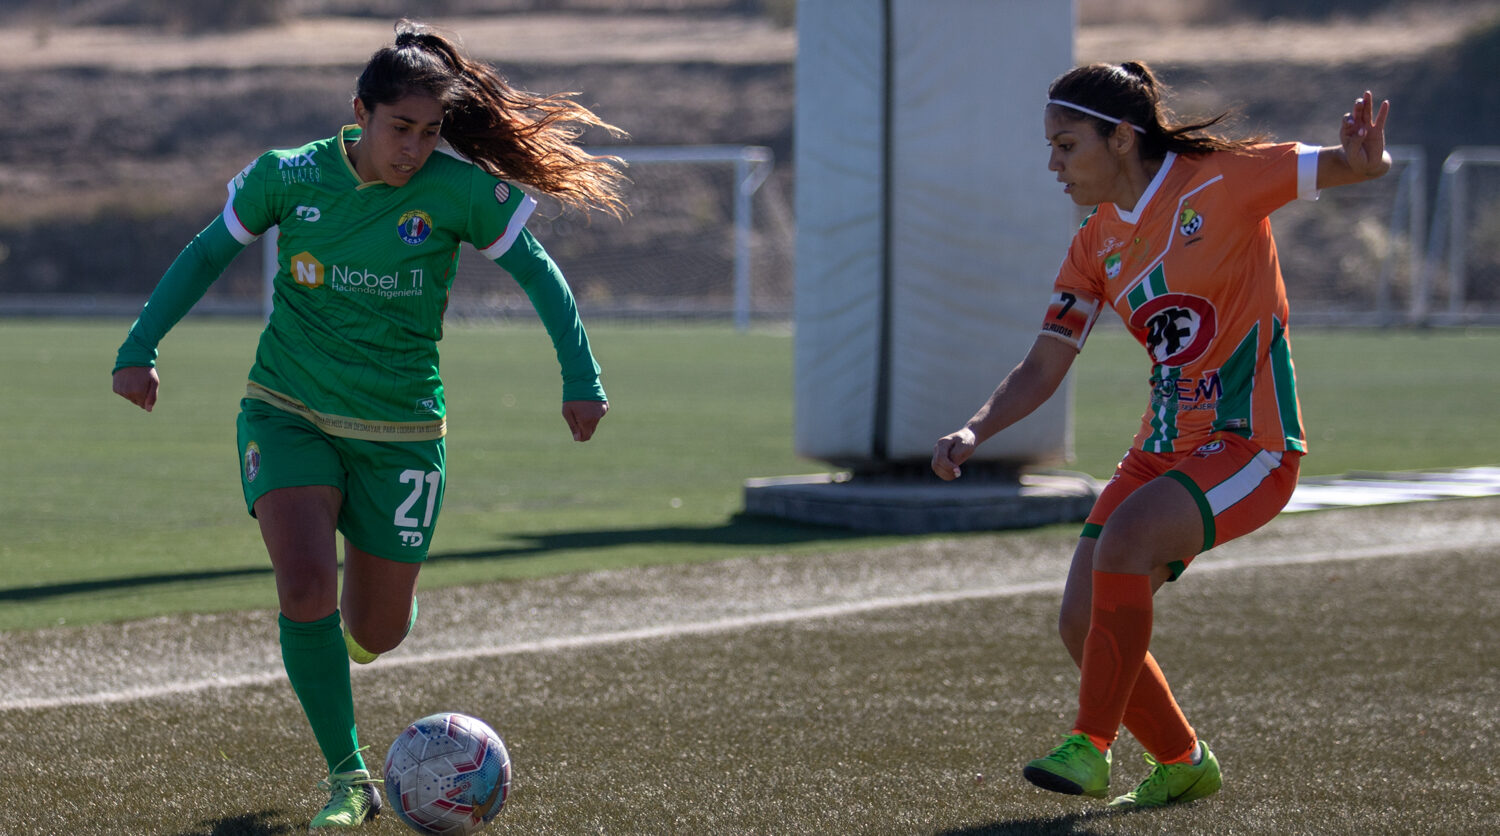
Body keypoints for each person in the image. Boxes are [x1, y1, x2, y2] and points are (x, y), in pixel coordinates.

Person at [112, 20, 627, 829]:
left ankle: (365, 621)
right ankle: (350, 779)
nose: (414, 148)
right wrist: (139, 346)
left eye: (429, 133)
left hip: (403, 434)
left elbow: (541, 273)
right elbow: (206, 252)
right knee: (306, 584)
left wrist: (581, 375)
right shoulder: (289, 177)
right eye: (400, 129)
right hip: (287, 409)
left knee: (377, 630)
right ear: (361, 112)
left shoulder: (457, 191)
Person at [931, 62, 1391, 808]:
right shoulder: (1093, 244)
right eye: (1050, 146)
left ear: (1120, 138)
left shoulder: (1223, 179)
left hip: (1252, 445)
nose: (1053, 163)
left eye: (1066, 144)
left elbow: (1347, 166)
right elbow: (1045, 363)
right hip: (1163, 450)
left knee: (1125, 545)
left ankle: (1091, 744)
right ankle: (1183, 761)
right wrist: (976, 427)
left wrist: (1364, 161)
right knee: (1081, 624)